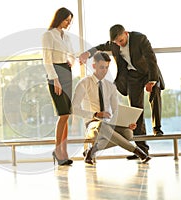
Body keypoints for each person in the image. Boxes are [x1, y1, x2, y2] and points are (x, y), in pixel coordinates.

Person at [79, 24, 165, 160]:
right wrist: (88, 53)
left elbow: (151, 58)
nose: (119, 44)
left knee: (155, 94)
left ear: (126, 33)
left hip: (148, 72)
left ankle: (157, 128)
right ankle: (142, 149)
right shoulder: (114, 44)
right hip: (133, 76)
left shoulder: (140, 39)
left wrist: (152, 80)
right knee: (136, 110)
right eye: (116, 42)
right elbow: (101, 46)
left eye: (121, 41)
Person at [72, 51, 151, 165]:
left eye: (106, 68)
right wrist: (95, 115)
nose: (104, 71)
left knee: (128, 133)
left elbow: (116, 110)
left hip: (109, 124)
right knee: (102, 125)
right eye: (101, 67)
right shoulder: (83, 83)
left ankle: (91, 150)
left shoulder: (110, 86)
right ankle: (139, 152)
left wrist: (127, 123)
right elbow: (74, 108)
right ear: (94, 66)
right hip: (93, 125)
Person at [42, 7, 75, 165]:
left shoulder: (66, 36)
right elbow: (47, 60)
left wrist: (70, 61)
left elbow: (72, 53)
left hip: (66, 72)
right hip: (55, 74)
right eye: (66, 20)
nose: (68, 23)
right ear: (59, 18)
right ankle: (57, 150)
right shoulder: (48, 35)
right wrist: (55, 79)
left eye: (70, 21)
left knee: (67, 114)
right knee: (62, 113)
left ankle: (64, 152)